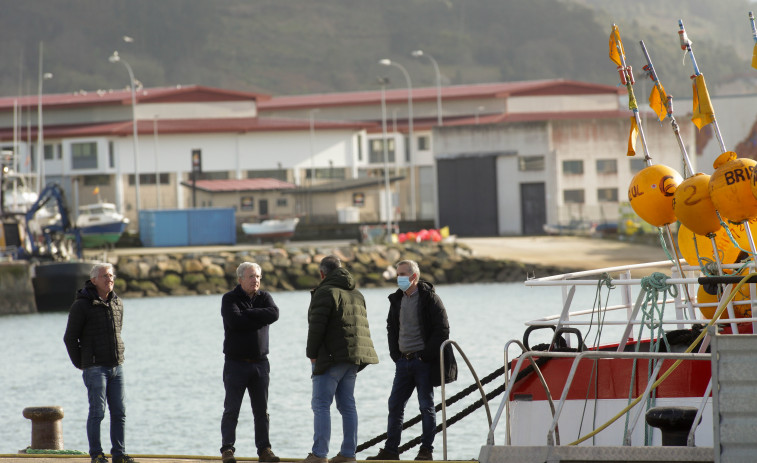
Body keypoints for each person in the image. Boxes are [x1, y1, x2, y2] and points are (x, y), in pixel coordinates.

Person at [367, 259, 457, 461]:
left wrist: (426, 355)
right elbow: (391, 328)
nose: (398, 278)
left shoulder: (430, 299)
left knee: (426, 406)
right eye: (397, 274)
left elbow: (442, 330)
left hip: (423, 362)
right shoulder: (397, 299)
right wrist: (395, 354)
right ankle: (391, 451)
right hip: (403, 362)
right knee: (395, 405)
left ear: (414, 277)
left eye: (402, 274)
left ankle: (426, 451)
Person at [299, 255, 379, 463]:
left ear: (322, 273)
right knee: (347, 405)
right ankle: (348, 454)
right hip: (353, 358)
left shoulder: (325, 292)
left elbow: (316, 328)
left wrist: (312, 355)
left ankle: (319, 454)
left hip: (331, 358)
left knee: (321, 404)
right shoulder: (357, 293)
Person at [63, 263, 137, 463]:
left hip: (116, 366)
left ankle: (119, 454)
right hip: (95, 368)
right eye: (105, 276)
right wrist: (83, 363)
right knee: (97, 412)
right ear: (94, 280)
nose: (110, 279)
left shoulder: (117, 303)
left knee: (120, 412)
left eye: (111, 275)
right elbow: (70, 338)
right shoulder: (82, 305)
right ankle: (96, 454)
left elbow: (118, 331)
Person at [220, 262, 281, 463]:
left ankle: (264, 450)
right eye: (251, 276)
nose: (256, 280)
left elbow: (274, 314)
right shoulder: (229, 299)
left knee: (261, 411)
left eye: (258, 276)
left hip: (260, 364)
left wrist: (248, 314)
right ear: (240, 279)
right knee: (232, 410)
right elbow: (235, 321)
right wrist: (258, 316)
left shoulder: (265, 297)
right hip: (236, 364)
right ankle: (227, 450)